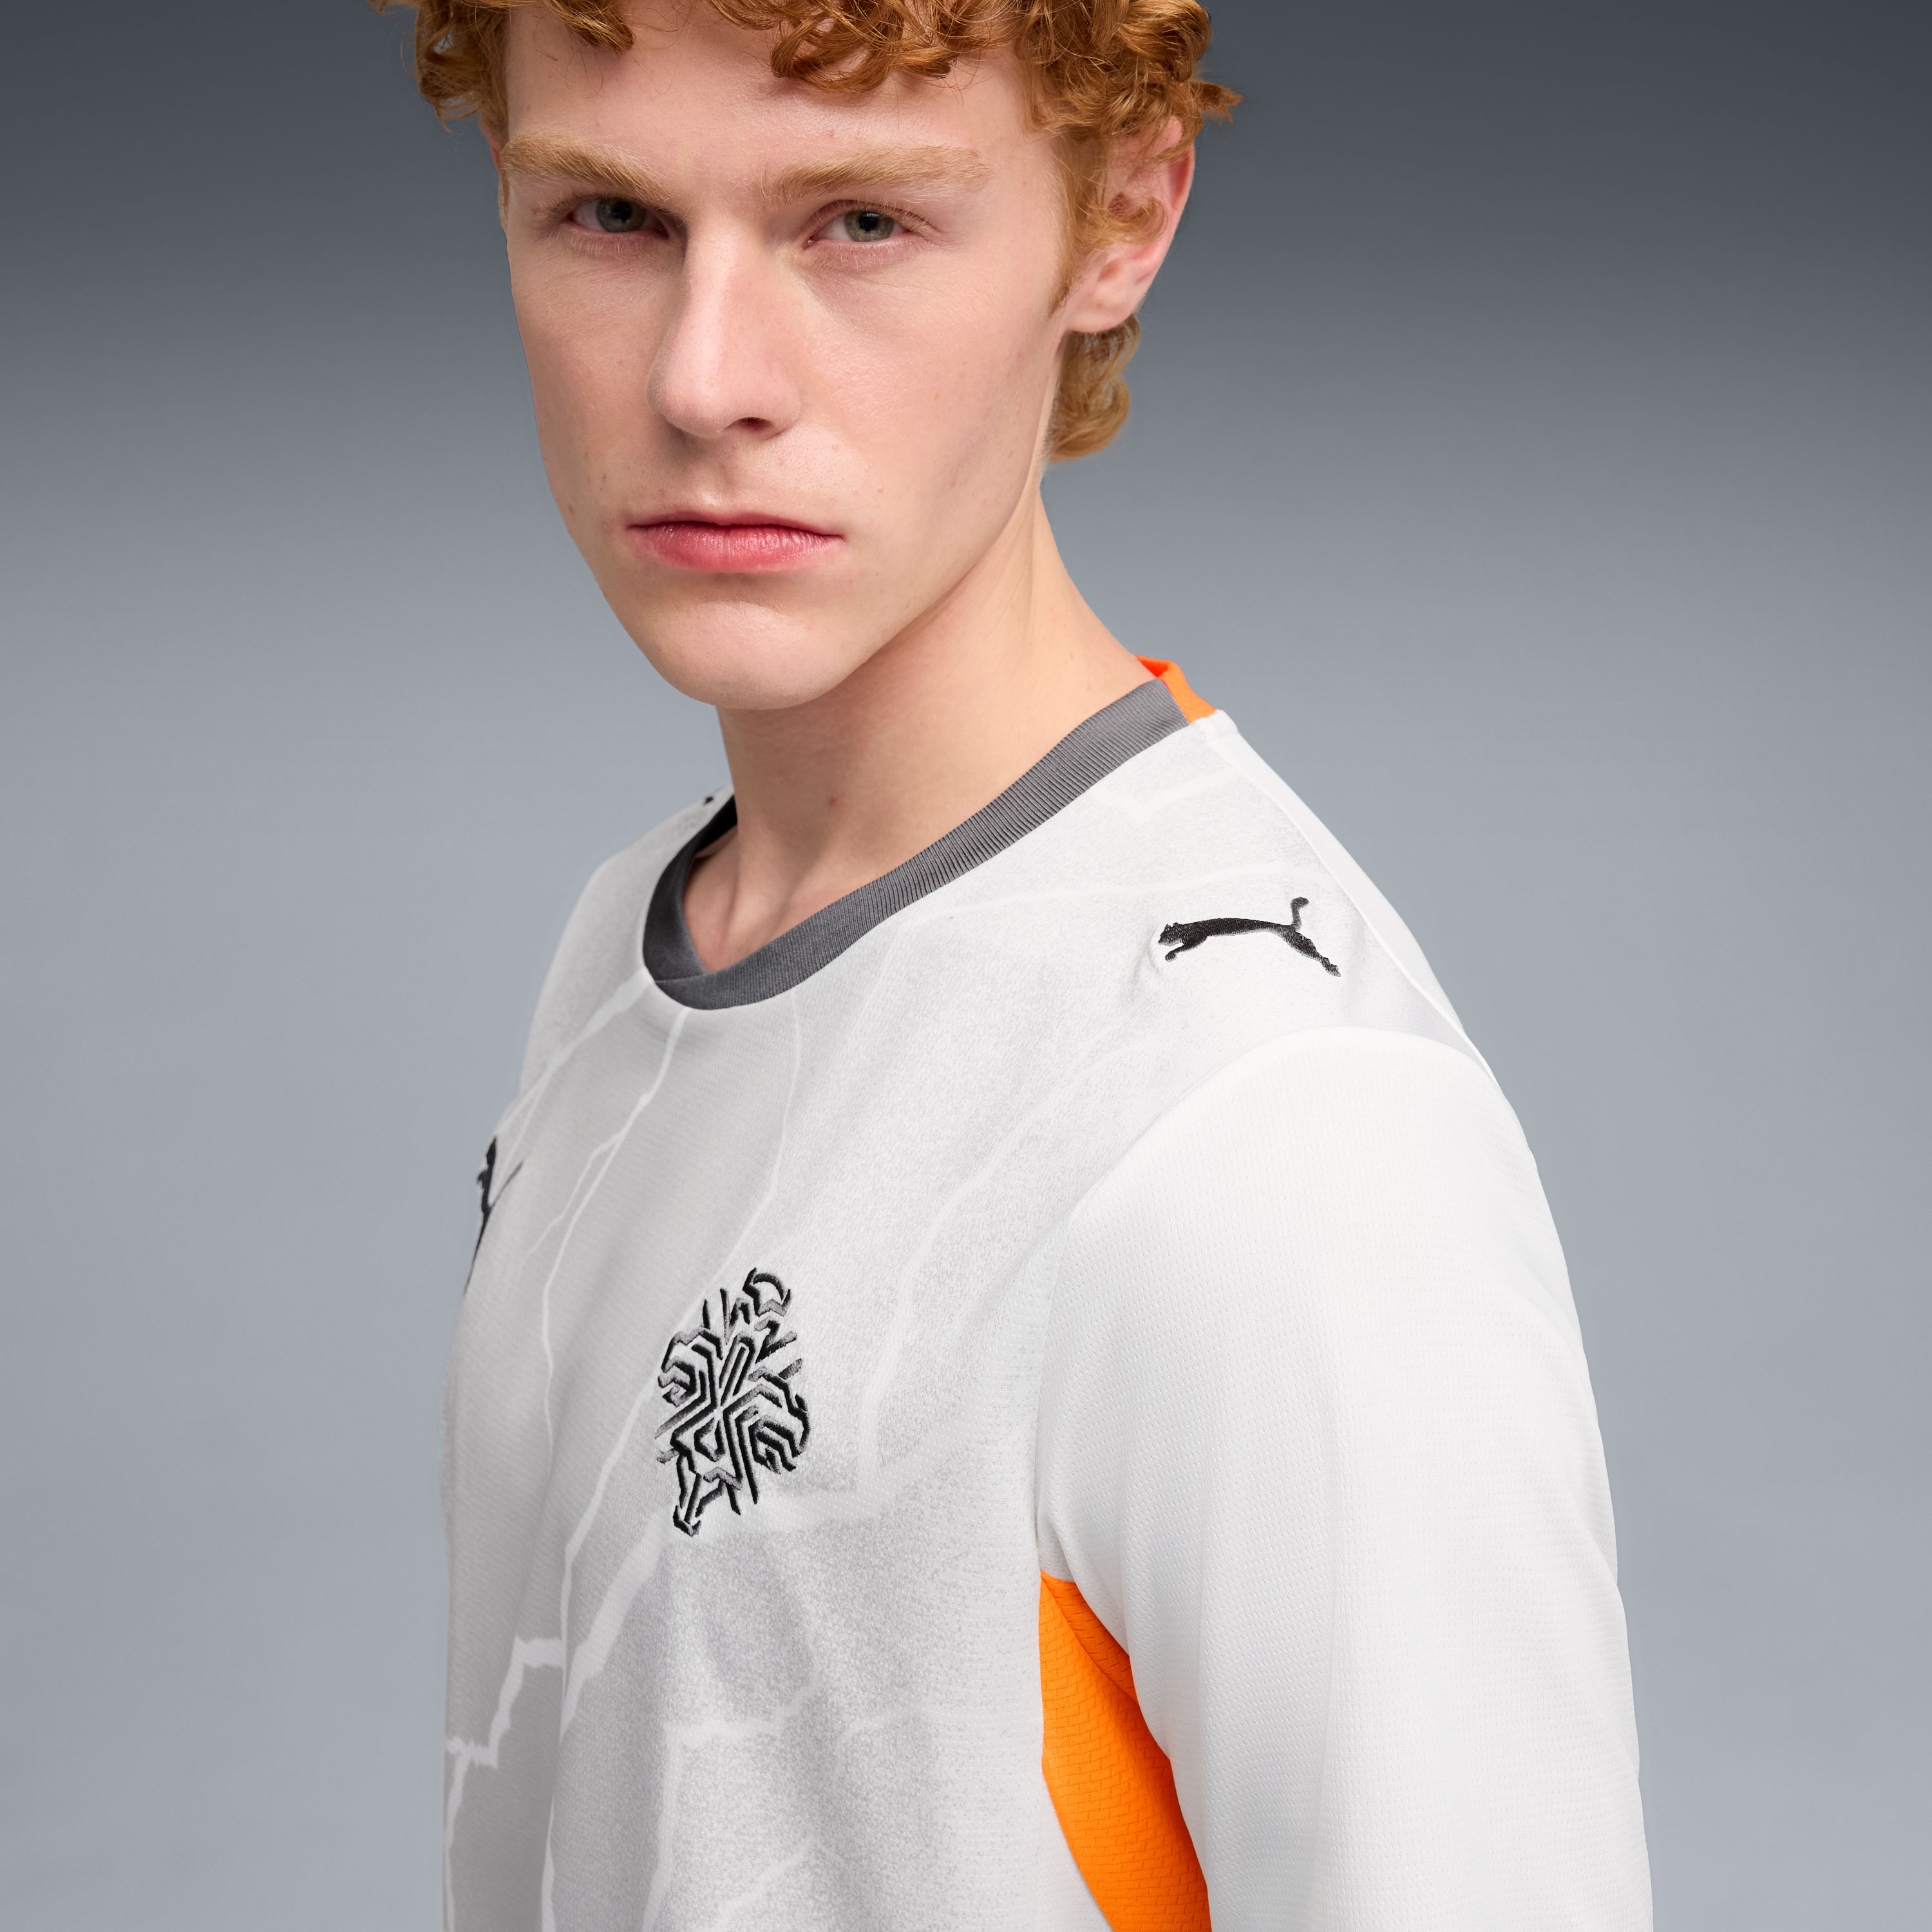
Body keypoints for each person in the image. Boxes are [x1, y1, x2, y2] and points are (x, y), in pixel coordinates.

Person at [390, 2, 1653, 1926]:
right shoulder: (623, 948)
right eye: (615, 216)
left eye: (860, 223)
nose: (705, 379)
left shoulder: (1275, 1124)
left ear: (1123, 216)